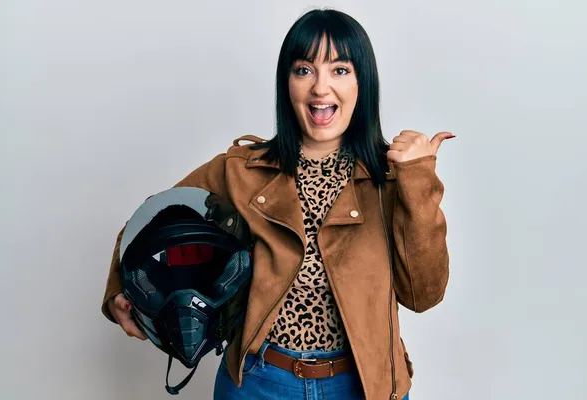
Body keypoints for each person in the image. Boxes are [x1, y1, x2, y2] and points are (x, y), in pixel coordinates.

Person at [101, 8, 452, 400]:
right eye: (304, 69)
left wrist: (419, 177)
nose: (320, 88)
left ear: (362, 83)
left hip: (364, 385)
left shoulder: (393, 178)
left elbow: (424, 294)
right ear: (287, 82)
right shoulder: (239, 171)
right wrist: (120, 290)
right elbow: (151, 221)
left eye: (340, 70)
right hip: (259, 383)